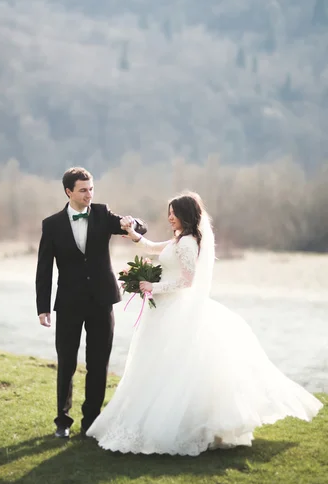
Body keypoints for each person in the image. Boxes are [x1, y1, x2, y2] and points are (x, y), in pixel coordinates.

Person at [87, 192, 323, 455]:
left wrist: (154, 286)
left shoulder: (188, 244)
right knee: (160, 367)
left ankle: (182, 425)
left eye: (174, 213)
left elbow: (187, 282)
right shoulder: (179, 240)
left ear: (186, 215)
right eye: (169, 212)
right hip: (164, 310)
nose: (170, 217)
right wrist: (132, 234)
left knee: (175, 369)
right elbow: (153, 248)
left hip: (176, 310)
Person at [35, 167, 147, 438]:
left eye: (91, 189)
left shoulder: (101, 213)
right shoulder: (51, 225)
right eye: (83, 190)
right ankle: (62, 421)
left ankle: (91, 422)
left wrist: (132, 224)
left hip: (101, 301)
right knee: (67, 363)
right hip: (69, 303)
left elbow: (139, 228)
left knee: (98, 363)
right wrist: (43, 308)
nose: (89, 194)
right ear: (68, 192)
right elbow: (44, 269)